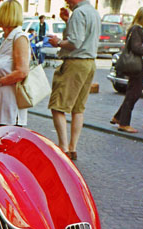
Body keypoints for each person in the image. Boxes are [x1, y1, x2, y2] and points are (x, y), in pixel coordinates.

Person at [46, 0, 100, 161]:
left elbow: (75, 42)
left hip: (75, 63)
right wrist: (67, 21)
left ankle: (63, 148)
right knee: (78, 108)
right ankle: (73, 147)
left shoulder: (79, 12)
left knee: (57, 106)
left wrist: (58, 42)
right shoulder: (93, 12)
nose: (66, 1)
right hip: (89, 63)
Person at [111, 7, 143, 133]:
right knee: (134, 94)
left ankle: (118, 117)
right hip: (136, 66)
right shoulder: (138, 29)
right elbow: (137, 48)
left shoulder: (135, 28)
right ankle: (124, 123)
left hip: (137, 66)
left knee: (132, 92)